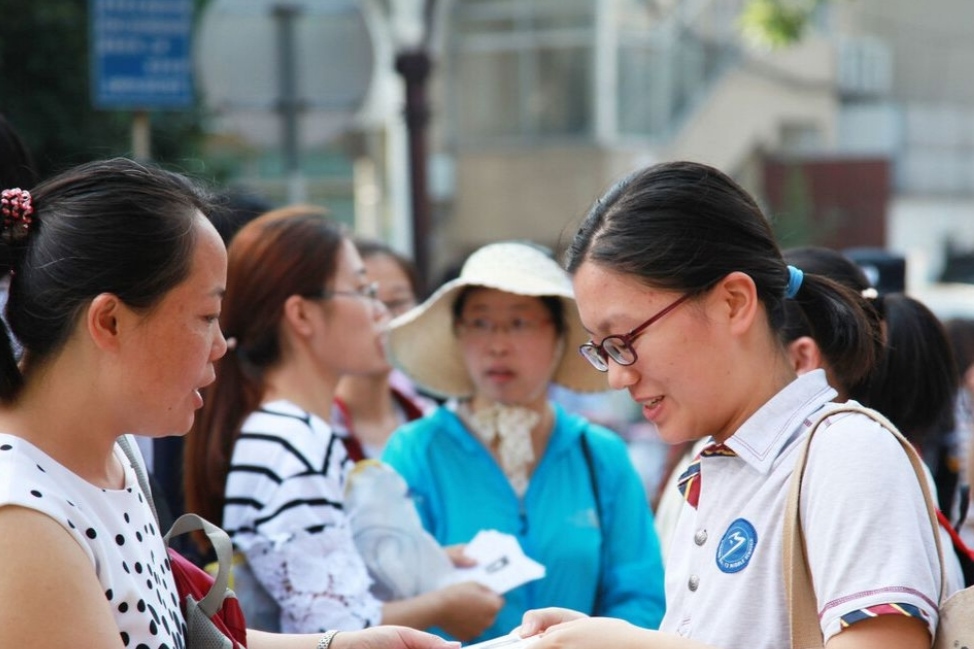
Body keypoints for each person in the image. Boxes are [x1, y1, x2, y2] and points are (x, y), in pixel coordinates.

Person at [0, 158, 455, 649]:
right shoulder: (21, 520)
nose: (221, 343)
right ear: (110, 321)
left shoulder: (113, 454)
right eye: (207, 315)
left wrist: (341, 645)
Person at [519, 161, 945, 648]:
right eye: (603, 351)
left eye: (625, 339)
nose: (619, 375)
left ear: (734, 302)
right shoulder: (713, 474)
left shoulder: (848, 453)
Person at [182, 205, 503, 637]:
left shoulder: (288, 431)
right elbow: (335, 628)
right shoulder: (289, 439)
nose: (380, 313)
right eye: (363, 291)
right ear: (302, 316)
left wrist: (430, 562)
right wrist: (443, 604)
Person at [382, 241, 667, 643]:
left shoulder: (600, 454)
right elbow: (382, 596)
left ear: (558, 336)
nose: (498, 345)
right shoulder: (415, 451)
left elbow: (641, 597)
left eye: (519, 323)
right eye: (479, 324)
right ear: (458, 336)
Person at [333, 238, 433, 460]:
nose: (384, 316)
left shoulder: (433, 421)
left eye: (398, 301)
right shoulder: (313, 426)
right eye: (366, 297)